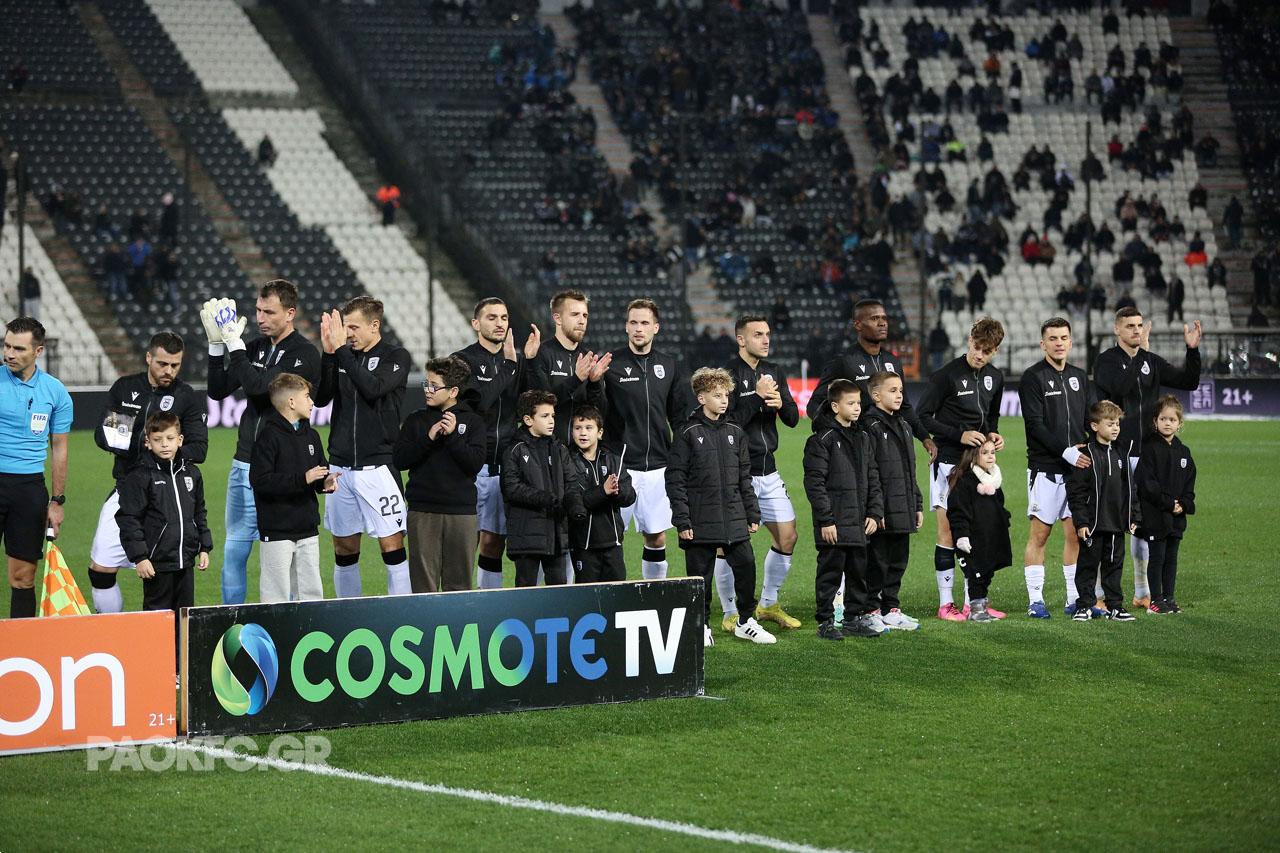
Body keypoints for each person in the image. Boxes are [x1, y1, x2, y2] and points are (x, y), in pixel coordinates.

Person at [204, 279, 321, 604]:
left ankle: (298, 627)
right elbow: (217, 390)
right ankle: (232, 621)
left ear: (290, 313)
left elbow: (258, 387)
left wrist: (235, 346)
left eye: (269, 311)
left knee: (290, 558)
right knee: (235, 552)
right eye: (257, 309)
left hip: (283, 472)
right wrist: (217, 346)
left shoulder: (304, 354)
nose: (260, 317)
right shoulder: (254, 347)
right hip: (244, 465)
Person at [88, 332, 207, 614]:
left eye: (175, 365)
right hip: (128, 488)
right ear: (149, 358)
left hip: (168, 493)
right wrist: (144, 445)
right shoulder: (126, 388)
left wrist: (155, 453)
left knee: (165, 574)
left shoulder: (185, 396)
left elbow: (199, 448)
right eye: (163, 364)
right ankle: (115, 633)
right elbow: (103, 436)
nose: (169, 371)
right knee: (101, 570)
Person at [1093, 307, 1201, 608]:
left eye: (1140, 326)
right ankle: (1100, 594)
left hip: (1149, 458)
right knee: (1111, 523)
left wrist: (1192, 351)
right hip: (1116, 454)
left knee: (1147, 525)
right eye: (1130, 326)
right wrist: (1136, 360)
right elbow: (1119, 388)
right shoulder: (1106, 362)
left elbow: (1188, 381)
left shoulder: (1149, 362)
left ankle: (1142, 592)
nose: (1136, 331)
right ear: (1117, 330)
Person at [667, 368, 773, 647]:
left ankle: (746, 621)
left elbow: (743, 477)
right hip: (700, 519)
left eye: (726, 395)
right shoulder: (687, 433)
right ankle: (700, 626)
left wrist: (752, 512)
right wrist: (682, 521)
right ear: (701, 398)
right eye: (717, 396)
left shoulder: (736, 432)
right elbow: (675, 479)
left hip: (734, 516)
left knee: (747, 566)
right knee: (700, 578)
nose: (724, 400)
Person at [314, 296, 412, 597]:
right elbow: (321, 398)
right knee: (343, 547)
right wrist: (329, 354)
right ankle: (349, 616)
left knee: (392, 545)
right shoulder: (344, 355)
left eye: (354, 327)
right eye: (345, 327)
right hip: (340, 467)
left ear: (374, 325)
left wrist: (342, 351)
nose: (348, 333)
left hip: (379, 467)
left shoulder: (396, 356)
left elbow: (373, 389)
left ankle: (403, 613)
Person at [916, 316, 1006, 621]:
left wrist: (993, 434)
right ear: (969, 340)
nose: (980, 354)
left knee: (976, 531)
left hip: (978, 465)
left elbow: (991, 418)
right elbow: (922, 416)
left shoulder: (996, 377)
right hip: (948, 463)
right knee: (948, 531)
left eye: (987, 350)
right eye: (977, 347)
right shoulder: (946, 376)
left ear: (995, 351)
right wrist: (958, 434)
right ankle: (945, 604)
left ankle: (973, 602)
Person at [721, 315, 801, 633]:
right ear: (741, 339)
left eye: (768, 333)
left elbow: (794, 419)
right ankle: (729, 611)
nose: (766, 339)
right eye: (758, 334)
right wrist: (756, 397)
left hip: (769, 470)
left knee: (788, 536)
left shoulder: (775, 372)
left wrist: (781, 403)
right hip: (737, 473)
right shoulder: (727, 374)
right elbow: (727, 425)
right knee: (726, 542)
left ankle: (767, 603)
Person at [602, 298, 692, 582]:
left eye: (644, 323)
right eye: (633, 323)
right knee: (610, 538)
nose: (638, 328)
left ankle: (655, 594)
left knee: (656, 537)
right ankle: (609, 598)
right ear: (626, 327)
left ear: (656, 327)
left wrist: (680, 457)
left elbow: (679, 417)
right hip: (621, 465)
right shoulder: (611, 365)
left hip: (658, 466)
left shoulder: (669, 365)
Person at [453, 297, 536, 589]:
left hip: (505, 468)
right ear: (476, 323)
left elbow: (531, 407)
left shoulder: (514, 361)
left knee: (494, 543)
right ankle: (460, 602)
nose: (499, 323)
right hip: (471, 467)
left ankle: (490, 607)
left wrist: (530, 363)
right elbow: (481, 403)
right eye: (491, 317)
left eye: (503, 317)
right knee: (465, 542)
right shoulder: (461, 361)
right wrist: (510, 367)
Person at [1018, 318, 1094, 619]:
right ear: (1043, 344)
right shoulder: (1032, 378)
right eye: (1053, 338)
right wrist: (1065, 452)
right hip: (1046, 468)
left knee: (1075, 534)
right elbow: (1035, 426)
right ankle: (1035, 600)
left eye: (1064, 337)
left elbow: (1091, 418)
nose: (1059, 342)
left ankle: (1073, 598)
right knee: (1040, 535)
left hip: (1077, 468)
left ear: (1071, 342)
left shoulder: (1079, 377)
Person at [393, 356, 486, 593]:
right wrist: (428, 438)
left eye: (434, 386)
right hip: (423, 511)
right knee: (424, 586)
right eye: (426, 384)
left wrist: (453, 436)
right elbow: (400, 460)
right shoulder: (416, 420)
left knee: (460, 585)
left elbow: (474, 464)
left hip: (461, 512)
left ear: (453, 390)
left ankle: (458, 630)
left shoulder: (473, 422)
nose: (428, 390)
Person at [0, 318, 71, 618]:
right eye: (6, 345)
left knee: (22, 578)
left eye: (18, 348)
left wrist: (56, 501)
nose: (9, 354)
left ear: (38, 350)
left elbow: (59, 447)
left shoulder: (55, 392)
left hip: (29, 490)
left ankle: (20, 653)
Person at [116, 412, 211, 634]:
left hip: (185, 562)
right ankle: (157, 666)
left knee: (185, 619)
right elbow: (128, 519)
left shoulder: (191, 473)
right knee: (157, 621)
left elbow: (199, 511)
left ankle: (181, 667)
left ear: (180, 440)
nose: (164, 445)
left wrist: (204, 546)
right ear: (148, 442)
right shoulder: (140, 476)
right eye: (158, 440)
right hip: (157, 564)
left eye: (170, 439)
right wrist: (140, 557)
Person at [809, 298, 937, 463]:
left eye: (884, 318)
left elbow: (905, 407)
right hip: (858, 451)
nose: (882, 323)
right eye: (874, 319)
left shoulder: (894, 362)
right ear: (858, 325)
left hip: (891, 449)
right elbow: (815, 404)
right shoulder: (844, 362)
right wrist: (835, 433)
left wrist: (925, 438)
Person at [249, 373, 339, 603]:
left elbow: (318, 474)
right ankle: (273, 639)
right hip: (277, 531)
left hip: (308, 529)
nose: (312, 402)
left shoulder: (312, 435)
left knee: (312, 596)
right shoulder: (268, 437)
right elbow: (260, 481)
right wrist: (303, 479)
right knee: (275, 598)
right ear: (291, 402)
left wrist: (325, 483)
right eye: (307, 397)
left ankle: (311, 639)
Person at [804, 379, 883, 640]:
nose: (858, 408)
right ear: (836, 406)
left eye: (859, 403)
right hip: (834, 524)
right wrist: (826, 521)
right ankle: (825, 621)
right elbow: (815, 484)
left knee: (859, 572)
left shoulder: (863, 437)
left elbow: (873, 476)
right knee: (830, 572)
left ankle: (853, 618)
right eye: (851, 403)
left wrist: (874, 512)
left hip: (860, 521)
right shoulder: (821, 440)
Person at [501, 390, 585, 587]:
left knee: (558, 590)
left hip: (556, 532)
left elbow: (571, 483)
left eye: (553, 416)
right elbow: (511, 488)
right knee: (526, 591)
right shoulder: (515, 449)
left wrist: (574, 505)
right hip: (526, 535)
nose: (551, 421)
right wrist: (546, 498)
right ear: (528, 420)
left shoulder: (559, 448)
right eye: (545, 416)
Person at [1068, 401, 1140, 622]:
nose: (1116, 428)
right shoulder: (1085, 455)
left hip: (1116, 524)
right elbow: (1076, 493)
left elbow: (1131, 489)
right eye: (1110, 424)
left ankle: (1115, 606)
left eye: (1117, 423)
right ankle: (1085, 605)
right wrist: (1081, 522)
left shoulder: (1121, 454)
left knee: (1114, 566)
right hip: (1093, 524)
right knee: (1088, 567)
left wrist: (1134, 517)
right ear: (1095, 426)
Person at [862, 371, 923, 630]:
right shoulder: (870, 426)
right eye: (892, 390)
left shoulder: (904, 425)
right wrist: (876, 510)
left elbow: (911, 470)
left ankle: (891, 608)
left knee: (898, 560)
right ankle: (870, 609)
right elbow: (869, 470)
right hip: (883, 508)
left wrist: (917, 503)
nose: (899, 395)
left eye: (900, 390)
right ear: (876, 395)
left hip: (903, 505)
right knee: (877, 561)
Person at [1135, 396, 1196, 614]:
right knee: (1157, 557)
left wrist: (1185, 504)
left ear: (1180, 423)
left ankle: (1169, 598)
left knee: (1171, 558)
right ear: (1155, 421)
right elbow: (1147, 484)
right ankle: (1155, 600)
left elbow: (1190, 482)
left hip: (1176, 517)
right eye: (1163, 418)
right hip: (1156, 515)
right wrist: (1169, 503)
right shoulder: (1149, 449)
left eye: (1172, 419)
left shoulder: (1184, 452)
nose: (1167, 423)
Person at [528, 289, 609, 446]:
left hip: (580, 456)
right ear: (558, 318)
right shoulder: (541, 354)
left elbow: (599, 414)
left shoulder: (588, 359)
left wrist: (594, 383)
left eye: (585, 315)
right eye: (575, 315)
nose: (581, 321)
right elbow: (542, 405)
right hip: (548, 452)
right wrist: (576, 379)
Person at [946, 438, 1012, 623]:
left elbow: (1000, 505)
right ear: (973, 455)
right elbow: (957, 511)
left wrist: (1004, 521)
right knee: (976, 573)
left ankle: (982, 605)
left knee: (987, 572)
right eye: (985, 453)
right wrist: (961, 536)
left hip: (990, 536)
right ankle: (975, 608)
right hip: (972, 537)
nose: (990, 456)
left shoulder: (994, 479)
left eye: (993, 452)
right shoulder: (965, 481)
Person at [567, 404, 635, 583]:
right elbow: (578, 500)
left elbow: (630, 496)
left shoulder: (612, 459)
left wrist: (617, 491)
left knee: (617, 597)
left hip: (613, 543)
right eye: (578, 428)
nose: (583, 433)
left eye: (589, 428)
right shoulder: (568, 462)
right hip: (584, 545)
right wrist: (604, 491)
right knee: (587, 602)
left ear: (600, 432)